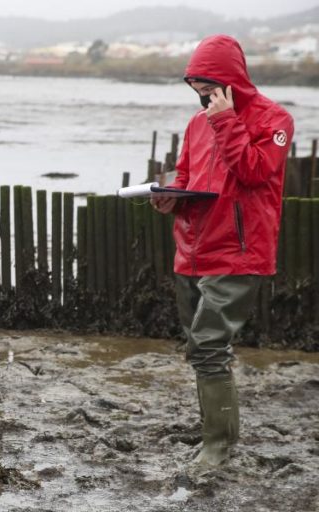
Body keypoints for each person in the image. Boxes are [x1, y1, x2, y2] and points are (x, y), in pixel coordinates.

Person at [151, 35, 293, 466]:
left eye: (208, 86)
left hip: (239, 251)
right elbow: (189, 178)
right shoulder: (197, 124)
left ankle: (218, 445)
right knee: (198, 345)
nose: (202, 96)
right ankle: (217, 431)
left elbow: (253, 173)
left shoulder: (275, 119)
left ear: (232, 81)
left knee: (209, 345)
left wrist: (227, 120)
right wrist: (169, 196)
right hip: (193, 249)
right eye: (195, 87)